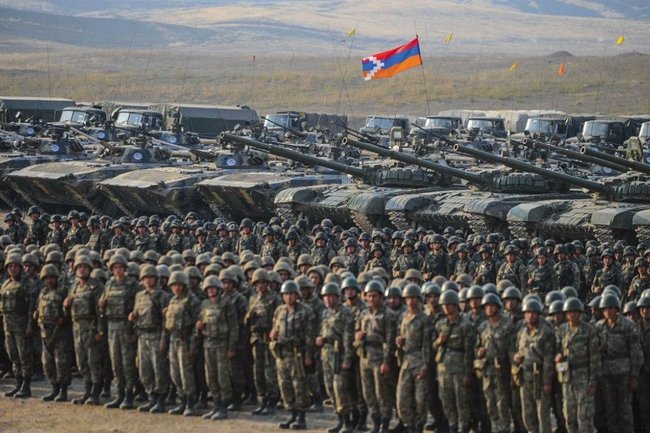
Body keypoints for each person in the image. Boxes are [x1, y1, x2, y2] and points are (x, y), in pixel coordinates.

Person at [270, 280, 315, 430]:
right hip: (282, 353)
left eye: (291, 294)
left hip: (297, 354)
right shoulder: (279, 311)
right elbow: (274, 328)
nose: (289, 297)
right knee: (285, 385)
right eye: (286, 294)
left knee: (299, 386)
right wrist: (273, 334)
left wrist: (308, 356)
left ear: (297, 295)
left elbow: (309, 336)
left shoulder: (305, 311)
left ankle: (301, 417)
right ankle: (291, 414)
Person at [595, 294, 643, 433]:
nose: (608, 312)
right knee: (610, 410)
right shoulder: (599, 327)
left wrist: (634, 376)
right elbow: (594, 350)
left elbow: (635, 352)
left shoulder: (628, 325)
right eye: (605, 309)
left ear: (617, 309)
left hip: (624, 374)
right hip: (606, 374)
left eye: (611, 308)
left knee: (625, 410)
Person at [355, 279, 396, 433]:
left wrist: (386, 361)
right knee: (368, 393)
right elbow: (356, 334)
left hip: (380, 357)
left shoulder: (388, 314)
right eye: (369, 296)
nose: (371, 299)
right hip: (365, 356)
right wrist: (358, 337)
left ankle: (385, 424)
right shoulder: (363, 313)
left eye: (375, 296)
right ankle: (375, 422)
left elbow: (390, 340)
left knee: (382, 393)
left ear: (380, 296)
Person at [555, 298, 600, 433]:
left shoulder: (588, 330)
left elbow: (594, 357)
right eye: (570, 312)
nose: (573, 314)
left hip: (584, 378)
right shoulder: (561, 330)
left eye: (575, 312)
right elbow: (554, 350)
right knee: (569, 416)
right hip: (567, 378)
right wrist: (557, 357)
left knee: (584, 417)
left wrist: (593, 381)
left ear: (580, 313)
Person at [196, 275, 238, 420]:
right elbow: (201, 321)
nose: (210, 290)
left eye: (213, 288)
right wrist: (199, 327)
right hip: (208, 343)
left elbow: (234, 327)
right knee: (211, 376)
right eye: (208, 288)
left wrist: (231, 348)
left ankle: (223, 407)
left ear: (218, 289)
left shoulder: (226, 303)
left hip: (221, 344)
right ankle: (216, 405)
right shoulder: (205, 304)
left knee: (222, 377)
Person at [64, 254, 104, 405]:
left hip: (91, 328)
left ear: (90, 269)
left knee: (94, 362)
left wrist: (100, 331)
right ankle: (87, 391)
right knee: (82, 362)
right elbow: (68, 312)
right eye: (79, 267)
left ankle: (95, 393)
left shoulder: (96, 286)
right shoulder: (74, 287)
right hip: (77, 329)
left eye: (85, 267)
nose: (82, 270)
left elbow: (100, 312)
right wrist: (65, 306)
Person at [130, 264, 170, 413]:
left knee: (158, 369)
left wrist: (163, 339)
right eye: (145, 278)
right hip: (142, 335)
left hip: (156, 335)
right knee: (144, 368)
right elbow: (136, 313)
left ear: (156, 279)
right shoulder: (139, 296)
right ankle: (151, 396)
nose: (148, 280)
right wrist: (133, 318)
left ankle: (160, 399)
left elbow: (166, 321)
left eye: (151, 277)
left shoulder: (163, 296)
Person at [434, 289, 475, 433]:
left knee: (462, 401)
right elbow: (433, 346)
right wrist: (439, 341)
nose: (446, 307)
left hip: (460, 368)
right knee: (446, 400)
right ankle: (452, 426)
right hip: (444, 368)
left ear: (455, 305)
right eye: (444, 305)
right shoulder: (440, 324)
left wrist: (467, 373)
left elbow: (469, 351)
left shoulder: (465, 325)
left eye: (449, 304)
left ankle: (464, 427)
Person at [317, 282, 355, 433]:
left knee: (340, 389)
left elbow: (348, 338)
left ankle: (347, 422)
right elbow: (323, 331)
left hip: (339, 354)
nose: (328, 299)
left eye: (331, 296)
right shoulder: (325, 313)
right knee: (330, 389)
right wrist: (320, 339)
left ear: (337, 297)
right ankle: (339, 420)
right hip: (327, 354)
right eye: (325, 297)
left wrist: (347, 359)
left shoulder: (345, 313)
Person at [162, 270, 202, 416]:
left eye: (179, 285)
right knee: (175, 373)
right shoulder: (172, 300)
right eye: (174, 285)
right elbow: (167, 323)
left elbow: (197, 324)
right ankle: (182, 401)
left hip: (186, 340)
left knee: (186, 373)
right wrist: (164, 340)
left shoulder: (192, 300)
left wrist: (193, 345)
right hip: (173, 339)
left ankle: (190, 403)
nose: (176, 288)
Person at [513, 298, 555, 433]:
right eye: (527, 313)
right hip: (525, 375)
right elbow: (517, 350)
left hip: (540, 376)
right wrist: (516, 358)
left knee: (543, 413)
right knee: (527, 413)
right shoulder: (522, 332)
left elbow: (548, 359)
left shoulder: (545, 332)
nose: (530, 315)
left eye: (533, 313)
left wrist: (547, 382)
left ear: (538, 314)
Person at [474, 293, 514, 433]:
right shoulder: (483, 327)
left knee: (502, 402)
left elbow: (512, 349)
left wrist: (513, 371)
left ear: (497, 307)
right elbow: (477, 346)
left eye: (492, 306)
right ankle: (495, 428)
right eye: (486, 307)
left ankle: (505, 428)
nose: (489, 309)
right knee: (490, 402)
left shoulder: (507, 325)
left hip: (502, 368)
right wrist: (479, 352)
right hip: (487, 369)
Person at [395, 283, 432, 433]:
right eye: (408, 298)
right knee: (402, 397)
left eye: (413, 298)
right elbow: (400, 335)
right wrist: (399, 342)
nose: (411, 301)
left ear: (418, 299)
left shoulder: (424, 319)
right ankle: (408, 425)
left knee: (420, 399)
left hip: (419, 361)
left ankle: (418, 427)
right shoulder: (404, 317)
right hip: (406, 361)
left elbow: (427, 345)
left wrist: (425, 366)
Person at [35, 264, 72, 402]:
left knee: (61, 362)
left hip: (60, 333)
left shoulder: (63, 291)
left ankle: (63, 390)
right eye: (46, 278)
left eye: (52, 277)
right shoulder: (43, 292)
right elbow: (38, 307)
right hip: (45, 332)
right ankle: (54, 387)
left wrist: (65, 316)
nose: (49, 280)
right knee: (47, 363)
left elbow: (69, 312)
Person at [1, 253, 35, 398]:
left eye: (15, 266)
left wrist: (30, 325)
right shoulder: (6, 284)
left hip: (21, 323)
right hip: (8, 324)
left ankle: (26, 385)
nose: (13, 269)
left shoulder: (27, 284)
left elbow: (31, 306)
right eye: (10, 266)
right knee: (13, 354)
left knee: (24, 355)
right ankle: (18, 383)